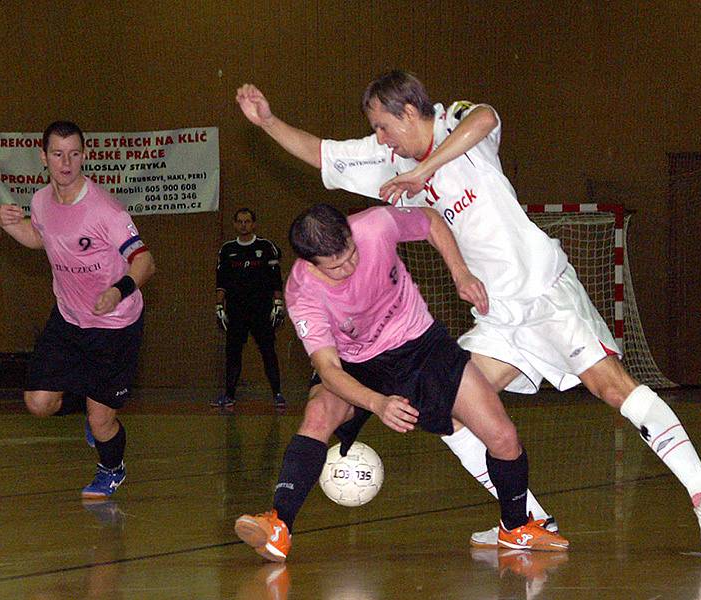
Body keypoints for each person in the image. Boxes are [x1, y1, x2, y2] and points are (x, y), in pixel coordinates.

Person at [235, 72, 701, 558]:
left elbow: (486, 117)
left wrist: (423, 171)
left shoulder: (456, 126)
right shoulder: (387, 156)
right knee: (454, 411)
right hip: (498, 316)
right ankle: (524, 520)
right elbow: (324, 153)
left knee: (611, 387)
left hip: (544, 292)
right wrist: (268, 121)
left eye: (384, 126)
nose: (379, 138)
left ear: (410, 112)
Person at [234, 203, 569, 562]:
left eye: (351, 255)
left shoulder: (376, 225)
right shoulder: (302, 292)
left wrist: (460, 272)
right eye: (334, 267)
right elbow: (329, 369)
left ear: (351, 232)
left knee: (503, 436)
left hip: (420, 345)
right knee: (318, 413)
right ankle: (279, 524)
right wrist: (378, 403)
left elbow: (430, 221)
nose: (349, 268)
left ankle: (515, 526)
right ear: (311, 263)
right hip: (353, 362)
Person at [0, 120, 155, 499]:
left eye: (74, 154)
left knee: (102, 423)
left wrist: (119, 290)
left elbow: (145, 261)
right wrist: (11, 227)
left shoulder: (105, 211)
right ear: (43, 157)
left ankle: (111, 468)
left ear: (85, 156)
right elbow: (42, 238)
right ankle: (91, 404)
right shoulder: (40, 202)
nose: (66, 163)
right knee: (38, 402)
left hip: (115, 326)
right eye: (57, 154)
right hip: (68, 319)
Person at [213, 207, 287, 411]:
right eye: (240, 221)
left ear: (254, 224)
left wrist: (278, 303)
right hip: (236, 311)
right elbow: (222, 280)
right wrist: (219, 305)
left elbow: (275, 278)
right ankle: (229, 395)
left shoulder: (266, 247)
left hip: (262, 310)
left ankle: (277, 394)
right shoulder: (227, 250)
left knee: (268, 351)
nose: (244, 225)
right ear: (235, 224)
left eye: (247, 221)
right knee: (233, 353)